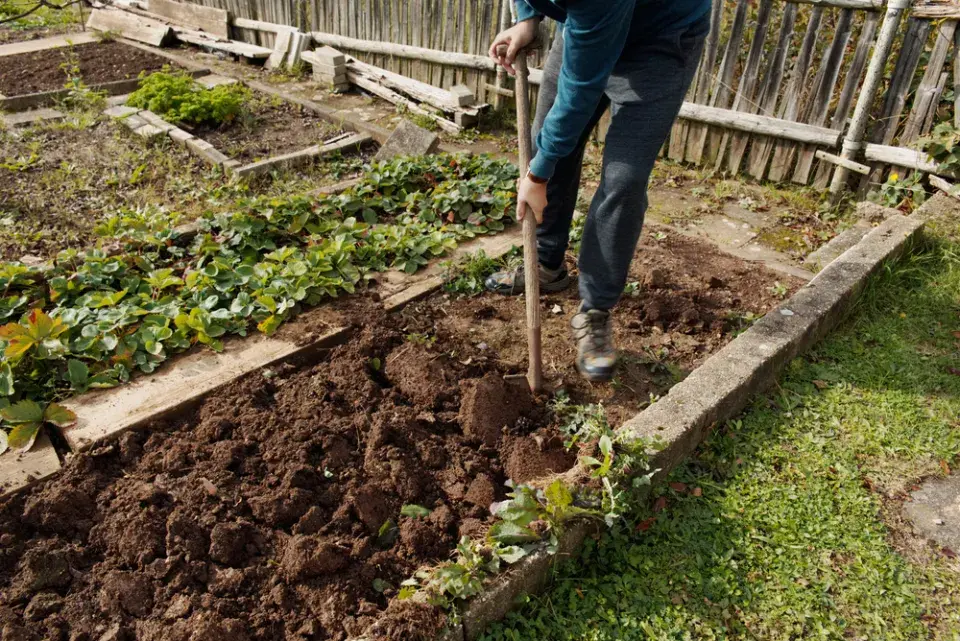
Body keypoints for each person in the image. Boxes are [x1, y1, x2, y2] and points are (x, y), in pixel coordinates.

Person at [486, 0, 711, 382]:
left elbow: (580, 87)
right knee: (550, 141)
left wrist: (538, 175)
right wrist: (528, 18)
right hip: (587, 25)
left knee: (624, 178)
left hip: (660, 41)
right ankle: (545, 263)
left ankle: (595, 311)